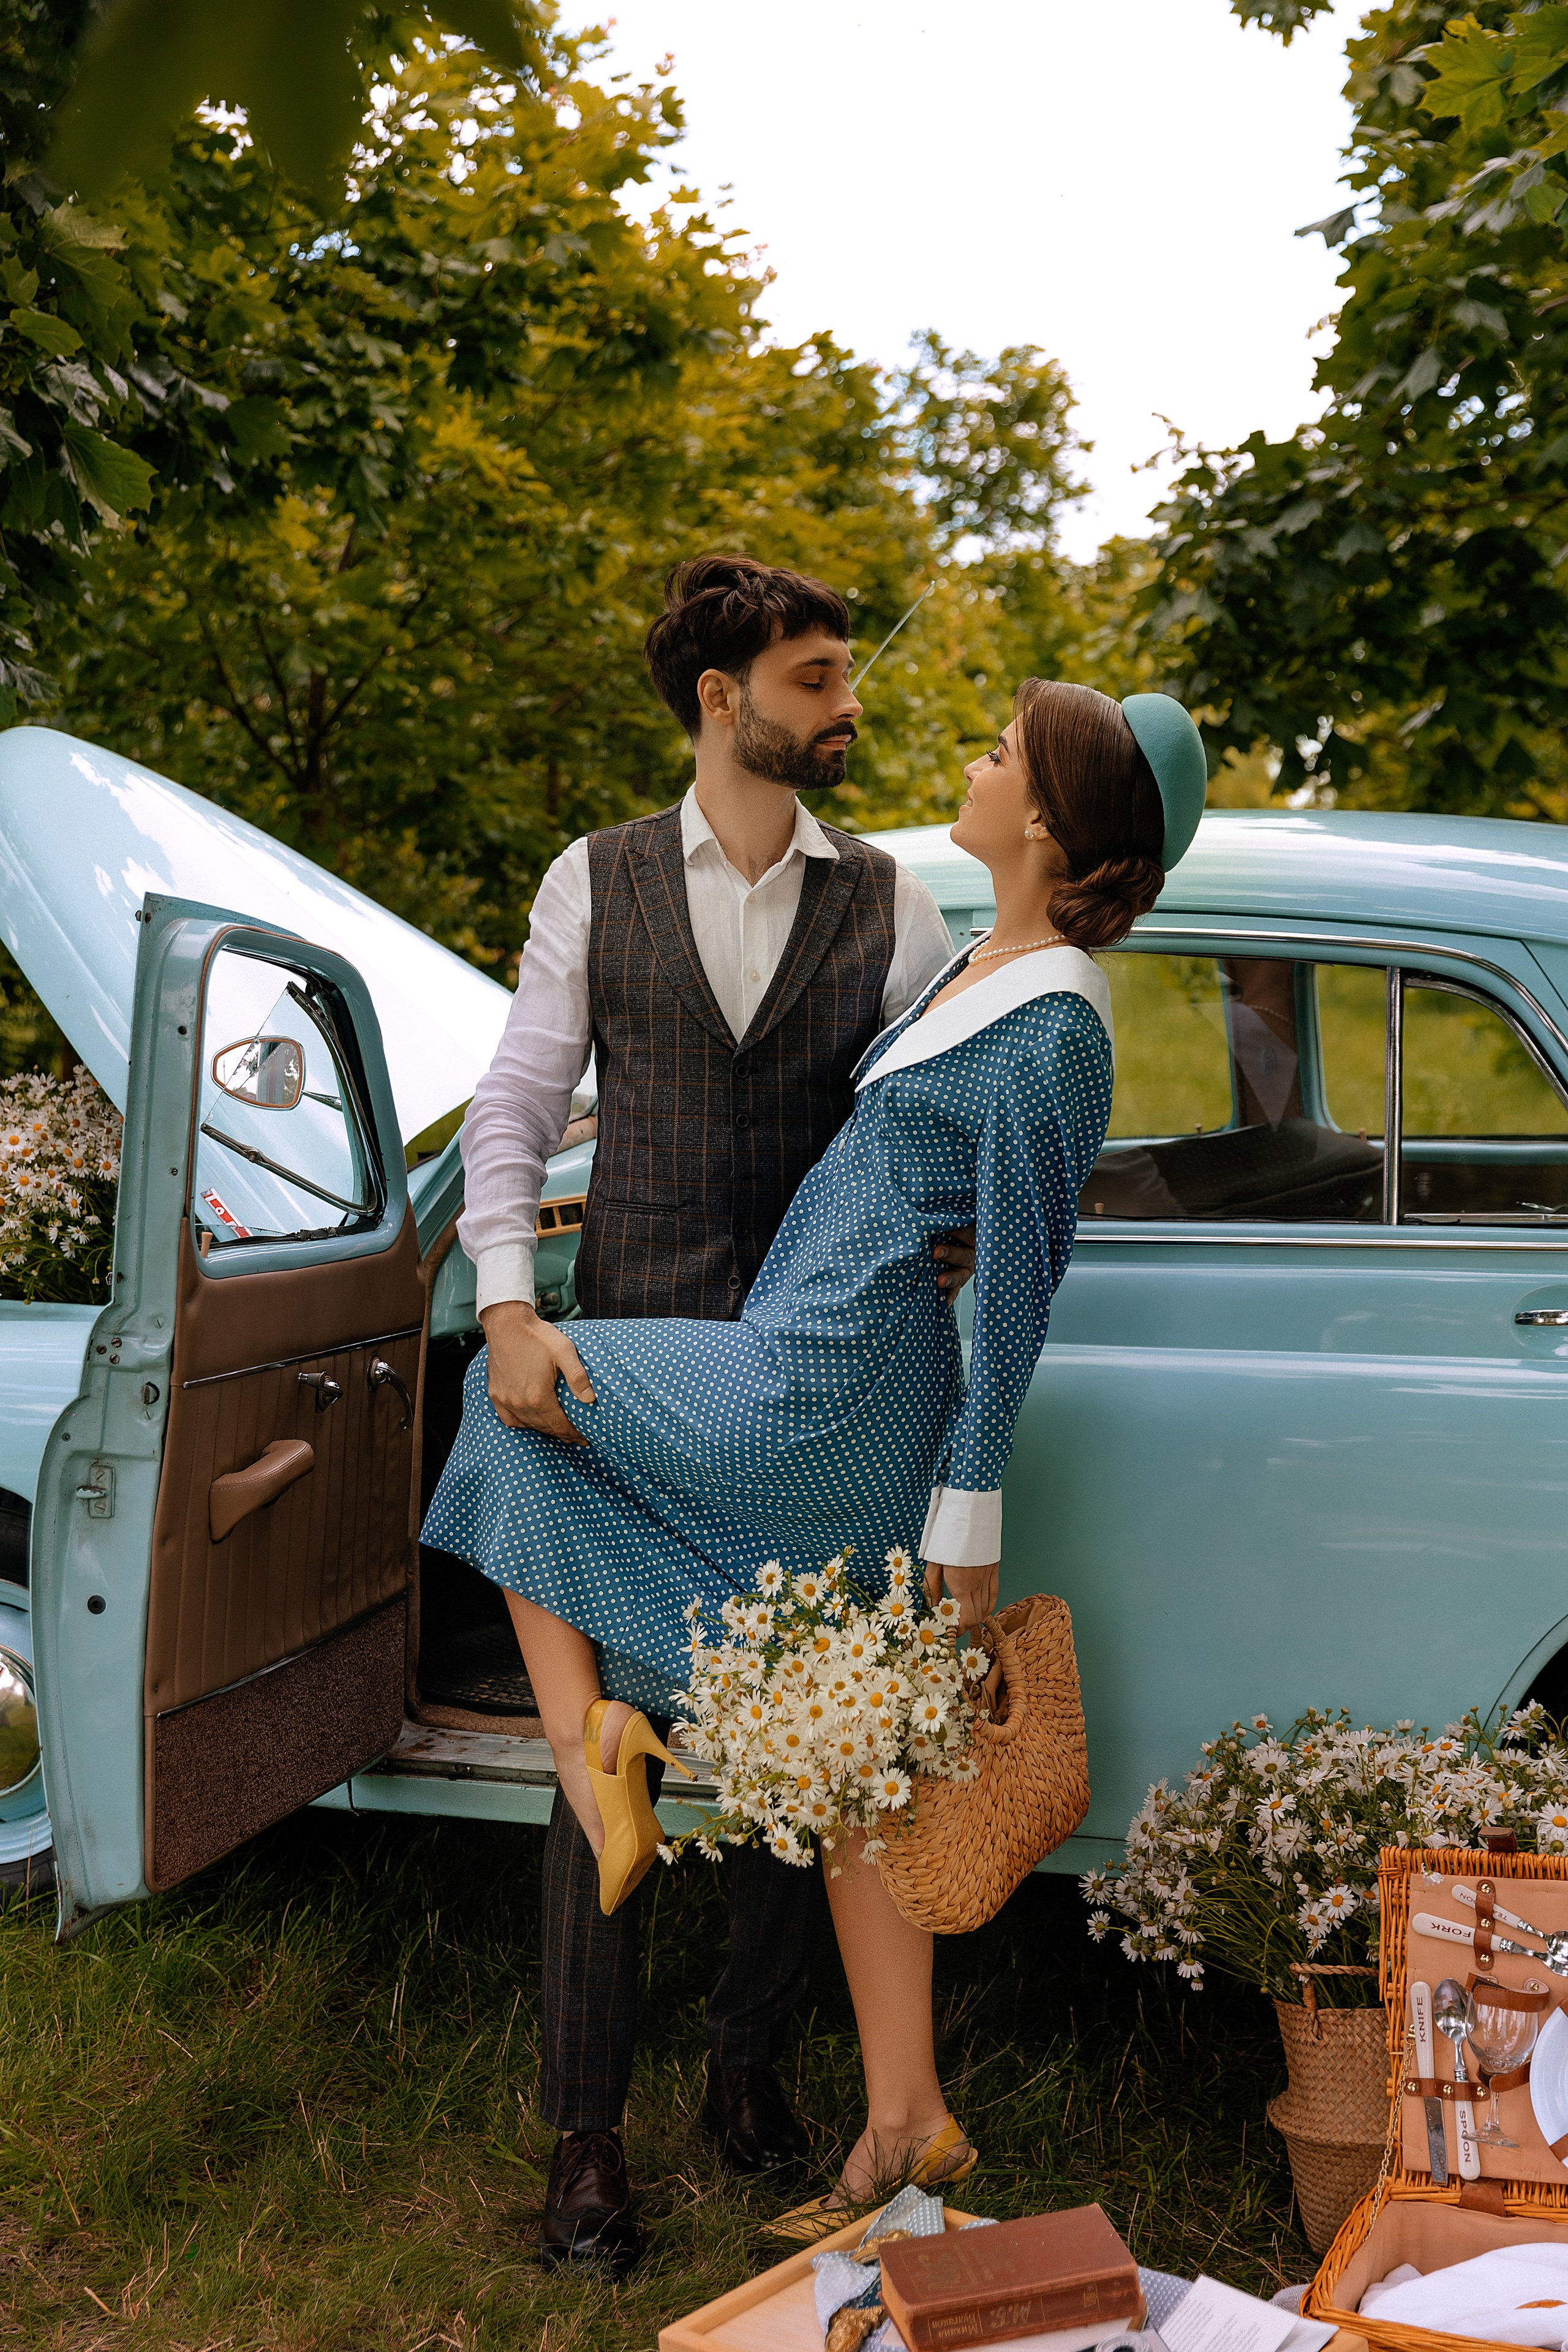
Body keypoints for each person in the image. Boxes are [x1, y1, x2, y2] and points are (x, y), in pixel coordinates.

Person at [428, 673, 1208, 2237]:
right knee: (848, 1773)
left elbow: (1024, 1294)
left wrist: (963, 1531)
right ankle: (904, 2124)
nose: (970, 764)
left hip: (824, 1392)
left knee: (507, 1391)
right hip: (815, 1367)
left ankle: (599, 1769)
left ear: (1047, 819)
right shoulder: (983, 957)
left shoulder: (1053, 1019)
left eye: (998, 753)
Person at [451, 554, 965, 2275]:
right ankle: (586, 2146)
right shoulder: (594, 883)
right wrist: (511, 1302)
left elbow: (951, 1121)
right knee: (603, 1757)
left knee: (793, 1747)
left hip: (813, 1399)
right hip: (635, 1368)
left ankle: (750, 2075)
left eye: (842, 674)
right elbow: (517, 1102)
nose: (849, 705)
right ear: (722, 700)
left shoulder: (897, 906)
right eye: (818, 679)